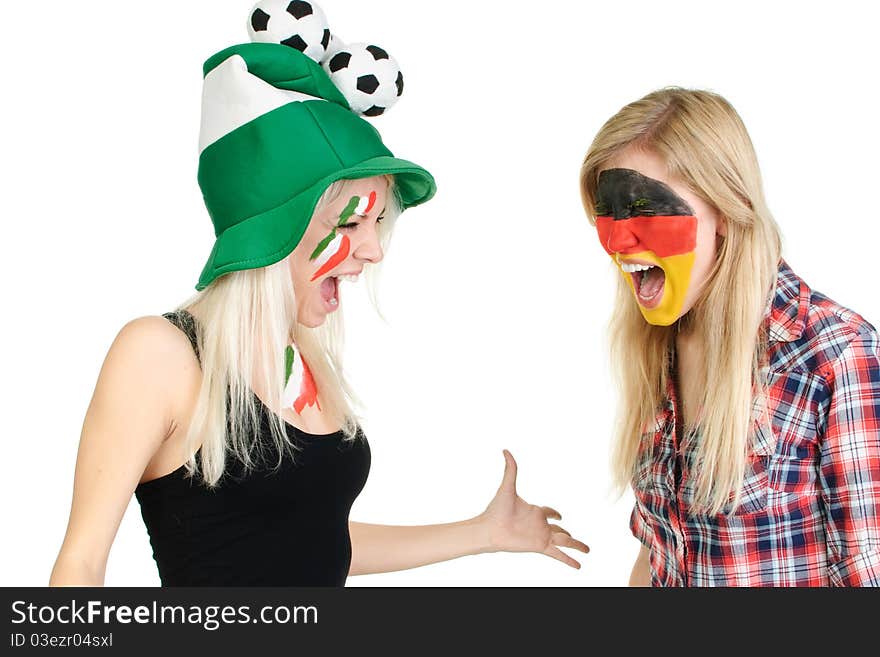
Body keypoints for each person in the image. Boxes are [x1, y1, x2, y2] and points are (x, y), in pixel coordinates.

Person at [49, 15, 587, 586]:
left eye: (379, 222)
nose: (374, 249)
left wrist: (482, 534)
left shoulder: (303, 364)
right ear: (274, 228)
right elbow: (81, 565)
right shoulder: (160, 355)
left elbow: (309, 540)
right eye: (353, 221)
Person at [579, 87, 880, 586]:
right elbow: (660, 554)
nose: (617, 239)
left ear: (727, 208)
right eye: (607, 211)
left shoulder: (835, 355)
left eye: (644, 207)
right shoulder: (657, 346)